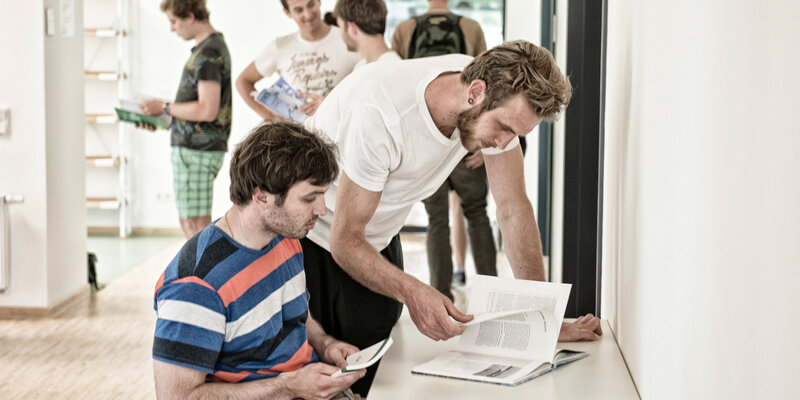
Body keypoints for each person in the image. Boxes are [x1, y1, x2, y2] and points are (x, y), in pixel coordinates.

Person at [302, 40, 603, 396]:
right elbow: (345, 239)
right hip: (312, 236)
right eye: (504, 127)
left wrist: (543, 320)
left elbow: (512, 206)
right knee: (317, 374)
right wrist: (414, 290)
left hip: (376, 237)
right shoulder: (381, 113)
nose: (505, 142)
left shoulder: (488, 93)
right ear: (476, 92)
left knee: (372, 373)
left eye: (517, 135)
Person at [152, 122, 366, 400]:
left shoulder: (285, 236)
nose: (322, 210)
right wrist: (288, 386)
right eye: (310, 198)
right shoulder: (197, 286)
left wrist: (325, 344)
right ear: (262, 196)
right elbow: (176, 398)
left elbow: (296, 314)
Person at [392, 0, 494, 297]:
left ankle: (440, 295)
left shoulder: (405, 30)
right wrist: (481, 143)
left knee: (437, 220)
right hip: (465, 141)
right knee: (477, 213)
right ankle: (492, 293)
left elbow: (400, 87)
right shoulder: (471, 27)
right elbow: (487, 87)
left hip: (427, 141)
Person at [140, 0, 232, 240]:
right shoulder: (207, 50)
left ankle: (201, 277)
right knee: (191, 223)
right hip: (194, 149)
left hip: (197, 151)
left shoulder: (209, 53)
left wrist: (164, 107)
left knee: (195, 226)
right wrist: (162, 118)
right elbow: (201, 110)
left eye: (174, 21)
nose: (172, 28)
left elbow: (206, 110)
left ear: (190, 16)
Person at [235, 0, 360, 121]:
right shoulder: (280, 47)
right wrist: (272, 118)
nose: (308, 14)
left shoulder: (348, 38)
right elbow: (243, 81)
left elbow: (368, 86)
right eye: (299, 10)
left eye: (311, 4)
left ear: (319, 1)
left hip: (340, 131)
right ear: (287, 13)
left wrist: (332, 104)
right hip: (300, 137)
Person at [334, 0, 400, 67]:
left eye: (340, 26)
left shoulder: (391, 68)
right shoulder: (361, 65)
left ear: (352, 28)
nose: (340, 33)